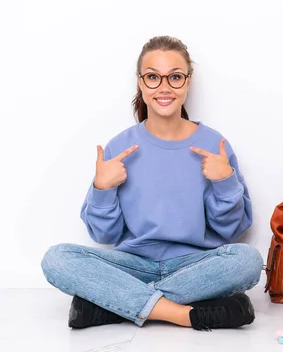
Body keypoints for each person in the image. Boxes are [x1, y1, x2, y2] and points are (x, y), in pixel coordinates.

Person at [41, 36, 263, 331]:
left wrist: (225, 182)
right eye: (153, 77)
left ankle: (112, 307)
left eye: (174, 76)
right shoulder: (120, 147)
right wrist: (102, 189)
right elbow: (103, 234)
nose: (164, 87)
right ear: (141, 83)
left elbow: (231, 230)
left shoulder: (214, 144)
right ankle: (182, 314)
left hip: (194, 267)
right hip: (133, 267)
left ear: (188, 81)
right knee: (57, 258)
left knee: (247, 259)